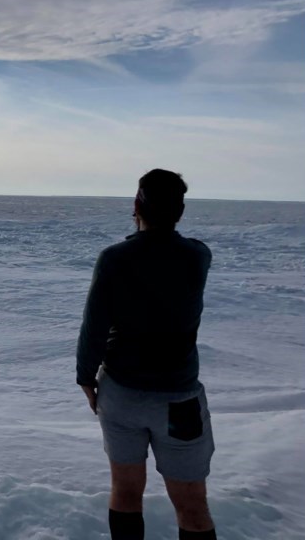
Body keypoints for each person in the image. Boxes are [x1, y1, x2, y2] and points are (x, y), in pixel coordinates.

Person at [76, 168, 217, 540]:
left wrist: (85, 378)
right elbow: (179, 249)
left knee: (125, 491)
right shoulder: (198, 256)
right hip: (179, 401)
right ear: (181, 211)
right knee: (192, 503)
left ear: (136, 205)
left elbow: (94, 325)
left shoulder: (114, 259)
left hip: (121, 394)